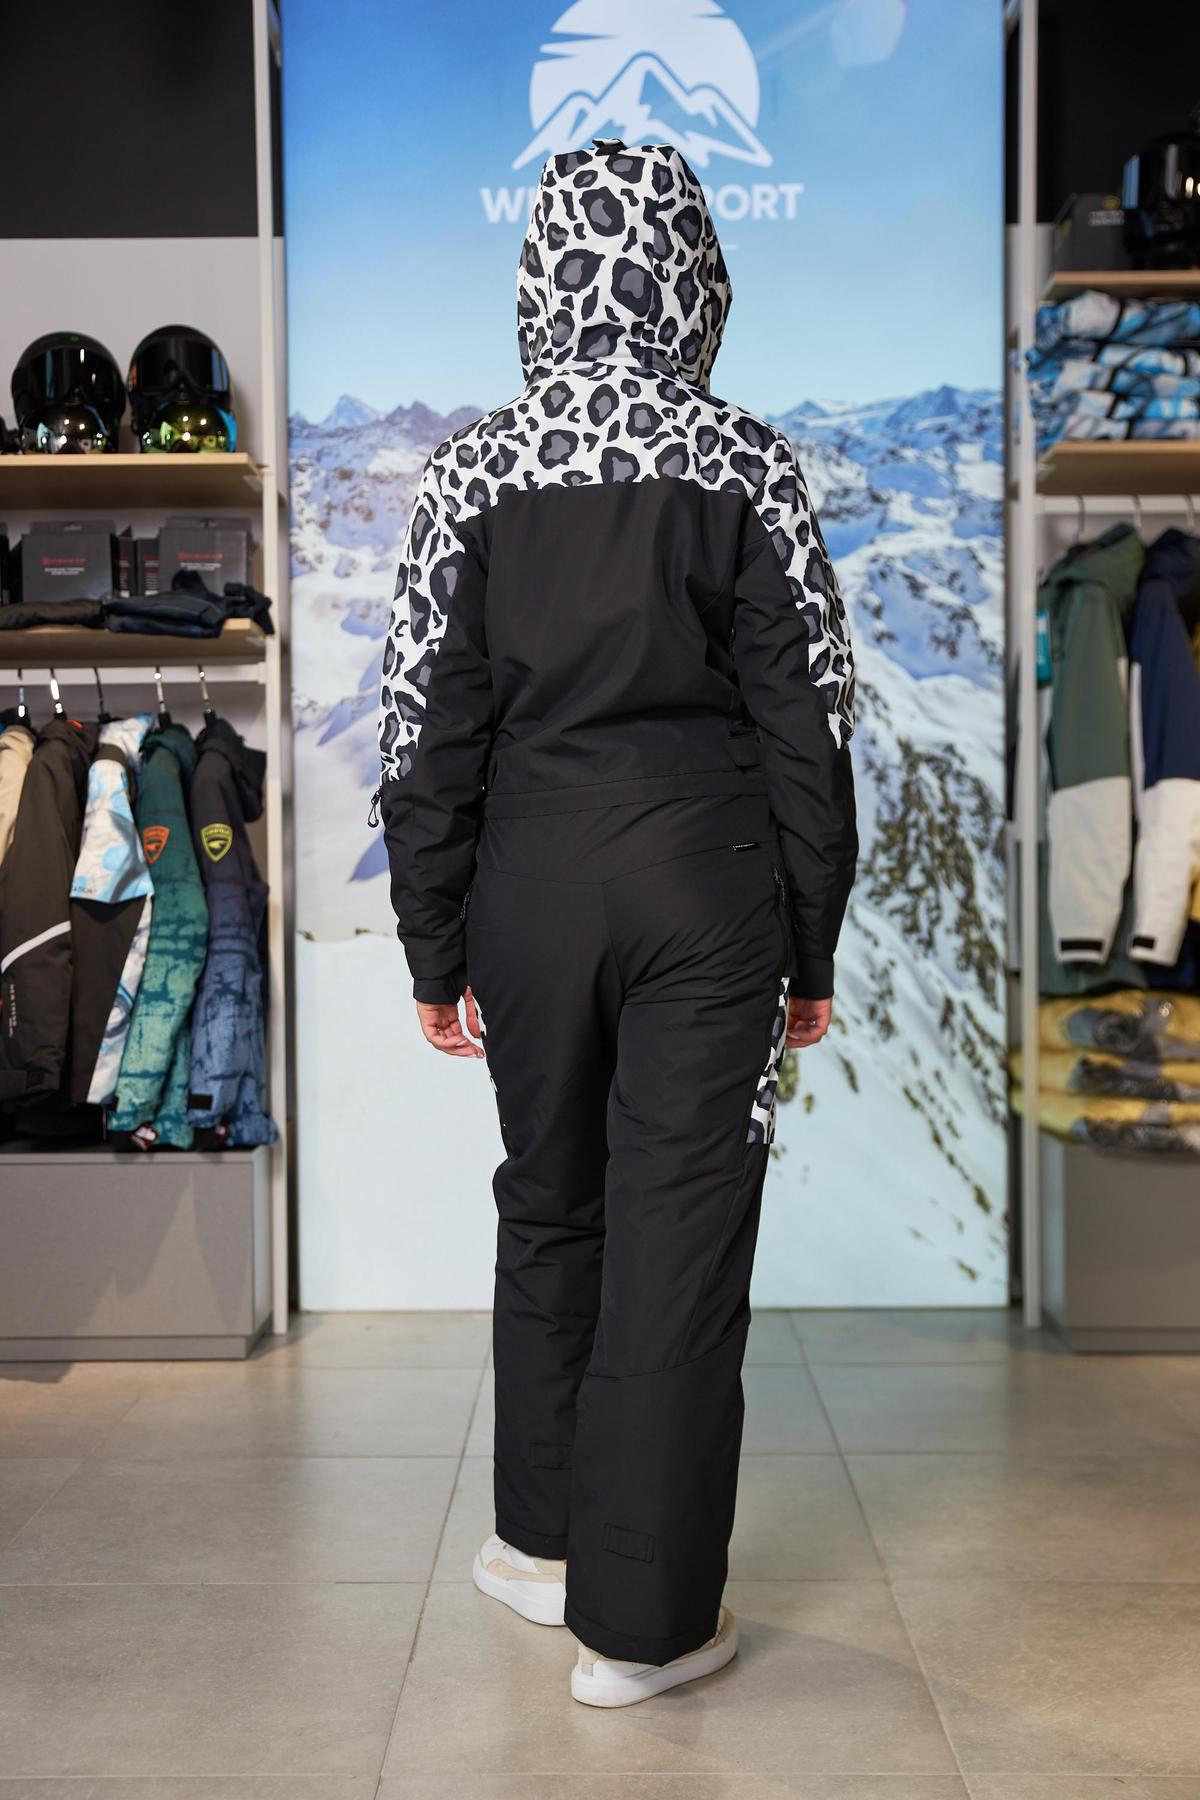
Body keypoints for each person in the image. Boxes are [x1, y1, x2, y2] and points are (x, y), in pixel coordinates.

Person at [375, 140, 857, 1707]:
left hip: (528, 891)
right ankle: (645, 1631)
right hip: (706, 890)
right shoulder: (749, 463)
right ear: (697, 278)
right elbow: (812, 728)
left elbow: (423, 731)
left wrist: (435, 939)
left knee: (550, 1206)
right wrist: (811, 940)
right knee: (678, 1235)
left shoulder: (470, 470)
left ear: (542, 279)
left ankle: (538, 1548)